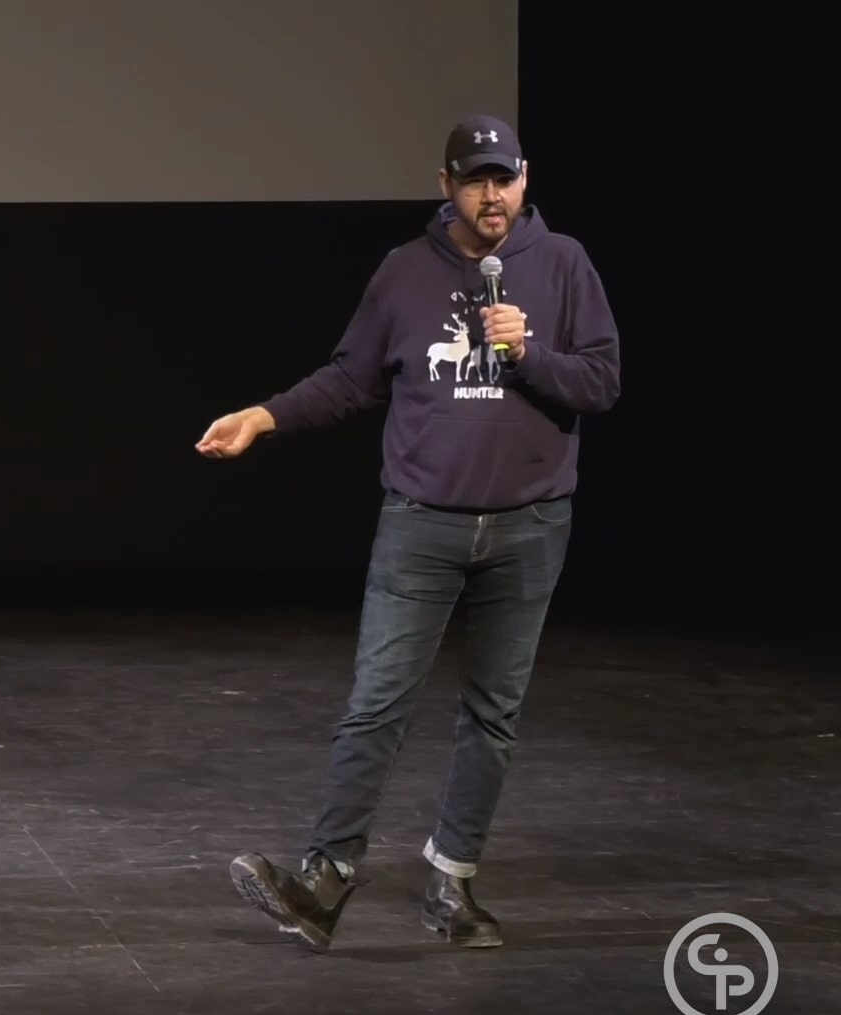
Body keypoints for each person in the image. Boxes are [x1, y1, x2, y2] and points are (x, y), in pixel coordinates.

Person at [196, 115, 621, 950]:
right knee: (376, 704)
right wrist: (266, 415)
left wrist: (528, 352)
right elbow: (352, 379)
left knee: (494, 713)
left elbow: (601, 382)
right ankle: (325, 880)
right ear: (446, 185)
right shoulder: (404, 273)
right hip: (420, 524)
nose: (490, 195)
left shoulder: (564, 264)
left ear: (526, 179)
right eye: (474, 180)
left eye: (503, 178)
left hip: (531, 526)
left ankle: (453, 887)